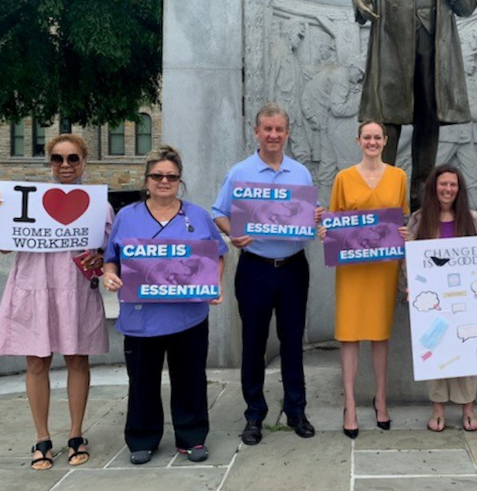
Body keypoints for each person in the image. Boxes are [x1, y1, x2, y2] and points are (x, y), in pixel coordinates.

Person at [351, 0, 477, 211]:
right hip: (393, 49)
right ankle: (381, 207)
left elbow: (466, 6)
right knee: (386, 127)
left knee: (428, 127)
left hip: (434, 52)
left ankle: (423, 212)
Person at [103, 146, 226, 464]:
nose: (164, 181)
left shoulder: (196, 216)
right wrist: (110, 276)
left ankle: (192, 436)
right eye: (157, 175)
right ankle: (142, 437)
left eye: (171, 176)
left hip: (187, 316)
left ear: (179, 181)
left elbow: (217, 254)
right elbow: (111, 260)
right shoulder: (127, 217)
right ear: (146, 180)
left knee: (190, 378)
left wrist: (215, 285)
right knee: (142, 381)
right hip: (142, 318)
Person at [0, 134, 112, 470]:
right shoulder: (26, 201)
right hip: (35, 285)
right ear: (49, 162)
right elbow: (5, 246)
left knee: (78, 358)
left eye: (73, 158)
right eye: (58, 159)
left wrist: (100, 256)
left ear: (84, 161)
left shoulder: (97, 203)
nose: (65, 165)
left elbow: (108, 249)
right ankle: (42, 438)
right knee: (37, 361)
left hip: (74, 288)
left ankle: (76, 433)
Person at [212, 103, 317, 445]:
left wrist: (316, 217)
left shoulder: (300, 173)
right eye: (267, 129)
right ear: (256, 132)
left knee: (292, 342)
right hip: (255, 267)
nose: (273, 135)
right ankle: (254, 414)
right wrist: (233, 233)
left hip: (293, 267)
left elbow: (307, 218)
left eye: (279, 130)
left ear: (287, 134)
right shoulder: (240, 172)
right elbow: (218, 213)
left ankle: (295, 410)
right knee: (254, 344)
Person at [322, 121, 409, 439]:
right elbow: (334, 219)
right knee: (349, 334)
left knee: (379, 334)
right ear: (358, 140)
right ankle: (349, 404)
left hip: (383, 267)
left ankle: (381, 399)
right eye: (367, 137)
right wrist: (325, 232)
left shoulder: (398, 176)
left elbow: (402, 216)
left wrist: (404, 231)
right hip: (353, 268)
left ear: (385, 141)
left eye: (377, 137)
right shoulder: (343, 178)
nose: (372, 142)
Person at [407, 164, 477, 432]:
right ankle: (437, 408)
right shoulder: (419, 219)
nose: (448, 189)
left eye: (453, 185)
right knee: (435, 348)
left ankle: (468, 408)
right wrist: (411, 287)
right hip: (433, 301)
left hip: (466, 300)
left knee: (466, 349)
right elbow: (410, 260)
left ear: (459, 189)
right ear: (434, 187)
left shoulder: (471, 218)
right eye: (443, 184)